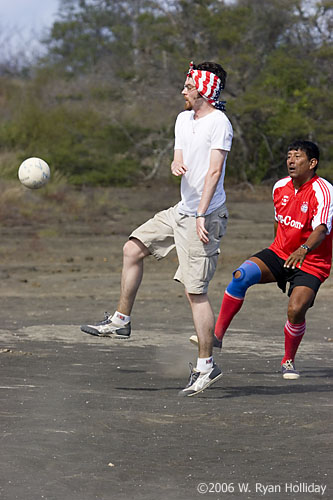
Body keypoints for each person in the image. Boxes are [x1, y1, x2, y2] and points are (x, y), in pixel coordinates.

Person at [81, 61, 233, 396]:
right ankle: (121, 320)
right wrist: (175, 163)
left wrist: (200, 214)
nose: (183, 91)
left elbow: (213, 172)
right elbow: (179, 155)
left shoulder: (219, 123)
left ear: (204, 90)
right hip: (181, 211)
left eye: (188, 86)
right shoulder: (183, 118)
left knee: (195, 293)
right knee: (132, 248)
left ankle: (206, 367)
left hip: (204, 217)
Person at [190, 140, 333, 379]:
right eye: (289, 156)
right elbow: (278, 222)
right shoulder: (279, 187)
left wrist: (303, 249)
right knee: (240, 276)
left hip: (311, 261)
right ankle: (217, 336)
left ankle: (288, 360)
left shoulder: (324, 191)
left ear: (312, 163)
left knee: (296, 310)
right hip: (280, 254)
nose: (291, 161)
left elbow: (321, 229)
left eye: (297, 156)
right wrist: (279, 250)